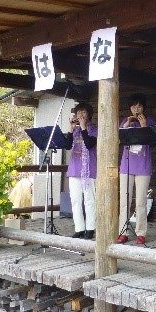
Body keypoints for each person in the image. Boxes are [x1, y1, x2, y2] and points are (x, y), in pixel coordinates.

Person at [117, 93, 156, 245]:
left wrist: (144, 125)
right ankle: (123, 232)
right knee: (124, 201)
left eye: (139, 106)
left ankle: (141, 232)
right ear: (130, 108)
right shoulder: (125, 122)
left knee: (140, 202)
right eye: (134, 106)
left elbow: (153, 142)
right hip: (126, 166)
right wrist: (126, 125)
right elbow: (118, 138)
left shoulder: (150, 121)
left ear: (143, 107)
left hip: (143, 167)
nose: (136, 109)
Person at [64, 102, 97, 239]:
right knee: (76, 200)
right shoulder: (75, 130)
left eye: (83, 113)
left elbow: (89, 144)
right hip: (74, 169)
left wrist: (83, 128)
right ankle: (79, 228)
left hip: (89, 169)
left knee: (89, 200)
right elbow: (66, 146)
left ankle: (90, 229)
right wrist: (71, 129)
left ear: (89, 114)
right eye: (78, 113)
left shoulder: (95, 129)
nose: (80, 115)